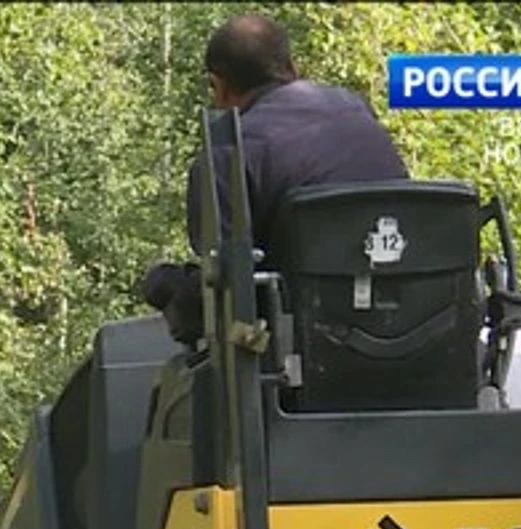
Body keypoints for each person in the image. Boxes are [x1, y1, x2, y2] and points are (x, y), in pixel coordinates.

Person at [141, 13, 410, 345]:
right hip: (408, 327)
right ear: (292, 67)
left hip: (304, 353)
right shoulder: (354, 108)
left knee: (169, 285)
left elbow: (227, 286)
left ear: (218, 85)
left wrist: (164, 285)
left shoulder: (227, 154)